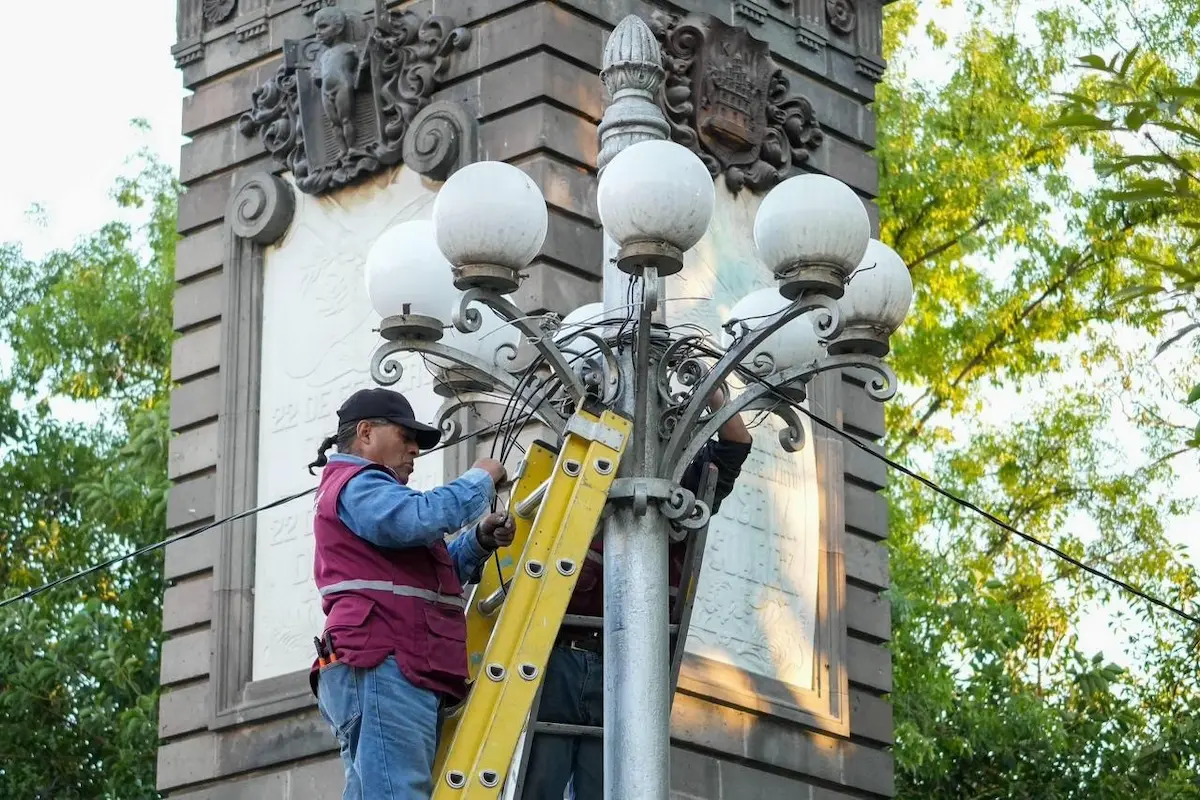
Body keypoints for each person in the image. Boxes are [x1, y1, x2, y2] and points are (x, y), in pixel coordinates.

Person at [520, 387, 755, 800]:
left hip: (628, 664)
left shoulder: (682, 475)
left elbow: (736, 446)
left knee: (606, 784)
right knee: (541, 781)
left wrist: (716, 394)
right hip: (562, 655)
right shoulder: (594, 459)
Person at [306, 387, 516, 800]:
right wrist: (481, 477)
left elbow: (424, 579)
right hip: (386, 660)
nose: (415, 450)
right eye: (406, 437)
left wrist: (477, 541)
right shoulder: (360, 483)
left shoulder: (364, 494)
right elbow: (418, 518)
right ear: (366, 433)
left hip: (386, 661)